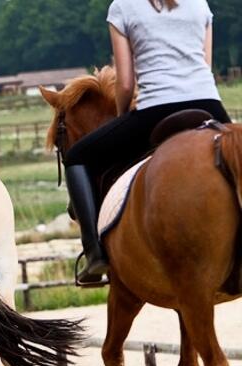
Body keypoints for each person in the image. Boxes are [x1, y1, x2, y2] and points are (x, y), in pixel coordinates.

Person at [65, 0, 231, 286]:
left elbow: (126, 83)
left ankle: (95, 255)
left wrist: (121, 118)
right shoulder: (199, 3)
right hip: (209, 103)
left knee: (76, 157)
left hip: (156, 109)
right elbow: (205, 65)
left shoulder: (122, 7)